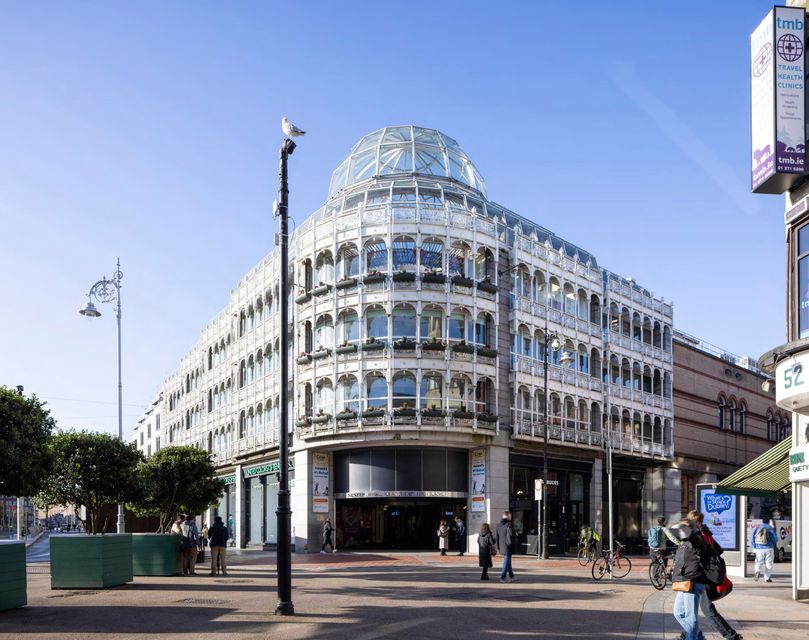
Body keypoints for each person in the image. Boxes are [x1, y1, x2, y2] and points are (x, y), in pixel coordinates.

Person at [685, 510, 742, 640]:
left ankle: (732, 636)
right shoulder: (706, 532)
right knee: (690, 608)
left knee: (707, 610)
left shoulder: (697, 534)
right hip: (705, 575)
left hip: (701, 576)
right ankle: (689, 635)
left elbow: (695, 556)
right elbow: (719, 550)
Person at [671, 517, 708, 640]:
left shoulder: (697, 538)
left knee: (690, 617)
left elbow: (695, 540)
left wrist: (687, 529)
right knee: (678, 613)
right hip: (683, 582)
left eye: (684, 528)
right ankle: (698, 636)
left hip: (693, 581)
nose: (680, 531)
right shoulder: (685, 542)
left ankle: (694, 637)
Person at [752, 515, 778, 583]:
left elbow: (753, 538)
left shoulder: (758, 528)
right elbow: (775, 539)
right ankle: (767, 578)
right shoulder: (770, 528)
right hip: (769, 548)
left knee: (758, 562)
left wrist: (754, 546)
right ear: (769, 521)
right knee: (769, 563)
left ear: (762, 521)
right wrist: (773, 543)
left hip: (759, 548)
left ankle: (757, 571)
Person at [495, 511, 516, 583]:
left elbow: (497, 537)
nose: (511, 517)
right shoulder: (509, 524)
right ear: (508, 516)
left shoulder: (498, 525)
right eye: (510, 516)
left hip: (501, 546)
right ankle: (502, 577)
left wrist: (498, 547)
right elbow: (512, 534)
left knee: (508, 561)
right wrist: (516, 535)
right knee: (506, 561)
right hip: (508, 546)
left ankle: (512, 576)